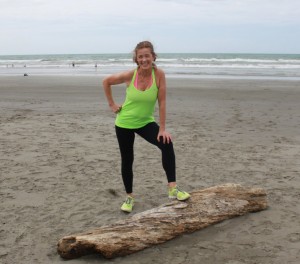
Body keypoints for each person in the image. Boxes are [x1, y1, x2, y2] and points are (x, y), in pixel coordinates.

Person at [103, 41, 190, 213]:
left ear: (153, 57)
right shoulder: (130, 75)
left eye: (147, 56)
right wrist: (112, 104)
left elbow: (162, 102)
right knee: (128, 159)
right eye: (140, 56)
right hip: (124, 123)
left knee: (166, 143)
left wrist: (162, 128)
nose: (144, 59)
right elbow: (106, 81)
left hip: (145, 122)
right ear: (136, 59)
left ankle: (172, 188)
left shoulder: (159, 75)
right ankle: (129, 197)